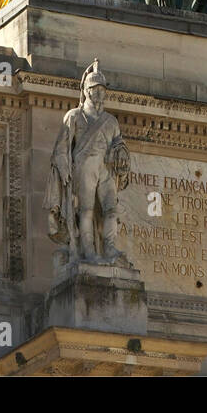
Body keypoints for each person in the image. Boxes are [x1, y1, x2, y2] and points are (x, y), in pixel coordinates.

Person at [45, 60, 132, 265]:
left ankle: (109, 248)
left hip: (107, 168)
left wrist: (121, 153)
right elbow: (61, 147)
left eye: (102, 89)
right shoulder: (74, 116)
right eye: (95, 89)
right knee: (86, 210)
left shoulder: (111, 121)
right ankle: (88, 251)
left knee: (111, 209)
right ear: (87, 91)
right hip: (84, 166)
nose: (100, 94)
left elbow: (119, 144)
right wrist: (65, 170)